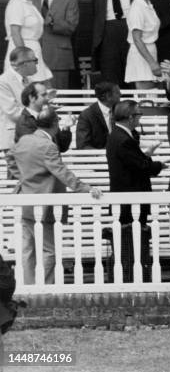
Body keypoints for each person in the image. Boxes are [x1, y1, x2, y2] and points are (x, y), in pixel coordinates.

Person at [6, 106, 102, 284]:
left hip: (24, 200)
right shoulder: (48, 145)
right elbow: (62, 172)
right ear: (56, 124)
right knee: (49, 250)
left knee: (28, 249)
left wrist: (24, 178)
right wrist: (85, 188)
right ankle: (44, 288)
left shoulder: (25, 139)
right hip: (43, 203)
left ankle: (28, 288)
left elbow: (10, 157)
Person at [106, 100, 166, 283]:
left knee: (130, 241)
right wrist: (157, 165)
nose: (140, 117)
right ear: (131, 117)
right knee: (130, 243)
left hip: (128, 198)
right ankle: (131, 277)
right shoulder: (123, 139)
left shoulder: (120, 135)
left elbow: (134, 161)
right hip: (130, 199)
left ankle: (132, 275)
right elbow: (140, 166)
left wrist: (146, 155)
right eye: (139, 114)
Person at [31, 0, 79, 89]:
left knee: (58, 99)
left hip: (58, 57)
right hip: (32, 58)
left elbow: (71, 27)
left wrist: (53, 23)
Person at [4, 0, 53, 82]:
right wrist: (25, 61)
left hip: (33, 52)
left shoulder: (26, 3)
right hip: (23, 54)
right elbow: (15, 33)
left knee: (41, 90)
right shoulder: (17, 3)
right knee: (28, 92)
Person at [91, 0, 133, 87]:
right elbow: (96, 19)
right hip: (108, 37)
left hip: (131, 33)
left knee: (131, 76)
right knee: (110, 79)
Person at [125, 0, 161, 90]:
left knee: (152, 96)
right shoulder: (137, 8)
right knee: (145, 99)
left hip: (149, 52)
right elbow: (137, 39)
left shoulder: (147, 5)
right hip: (141, 57)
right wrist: (152, 63)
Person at [0, 47, 39, 152]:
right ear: (24, 63)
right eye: (35, 60)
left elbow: (32, 104)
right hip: (14, 140)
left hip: (32, 137)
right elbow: (12, 113)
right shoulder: (3, 82)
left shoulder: (29, 80)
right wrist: (38, 114)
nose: (37, 64)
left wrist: (44, 106)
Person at [14, 82, 72, 153]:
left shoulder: (47, 116)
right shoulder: (23, 122)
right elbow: (33, 150)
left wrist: (66, 128)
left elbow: (62, 147)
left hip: (51, 162)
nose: (47, 98)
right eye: (43, 95)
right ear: (31, 98)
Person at [76, 81, 121, 149]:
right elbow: (83, 145)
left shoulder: (121, 110)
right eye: (117, 92)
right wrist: (101, 155)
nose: (120, 94)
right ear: (107, 96)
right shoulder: (87, 115)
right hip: (97, 157)